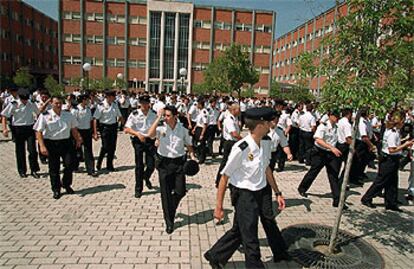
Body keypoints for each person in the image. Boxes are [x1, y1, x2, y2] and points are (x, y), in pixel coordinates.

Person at [204, 107, 286, 269]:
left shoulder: (266, 142)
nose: (272, 123)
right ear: (261, 125)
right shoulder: (241, 148)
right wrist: (218, 207)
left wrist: (277, 193)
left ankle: (215, 255)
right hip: (244, 195)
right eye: (269, 121)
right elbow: (224, 177)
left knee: (240, 229)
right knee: (250, 238)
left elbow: (266, 168)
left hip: (261, 192)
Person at [147, 105, 196, 234]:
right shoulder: (161, 127)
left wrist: (192, 156)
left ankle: (170, 209)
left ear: (175, 116)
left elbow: (189, 144)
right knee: (166, 193)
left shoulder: (183, 130)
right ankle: (169, 222)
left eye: (168, 116)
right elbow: (150, 134)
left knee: (180, 191)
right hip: (164, 164)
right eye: (165, 115)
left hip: (179, 163)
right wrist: (158, 118)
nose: (166, 118)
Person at [361, 111, 414, 212]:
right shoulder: (392, 133)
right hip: (388, 159)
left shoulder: (395, 131)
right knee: (381, 181)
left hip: (393, 159)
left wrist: (404, 141)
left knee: (392, 182)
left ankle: (391, 202)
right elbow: (392, 149)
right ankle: (367, 198)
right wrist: (405, 145)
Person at [33, 96, 83, 199]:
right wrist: (42, 146)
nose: (59, 105)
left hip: (66, 142)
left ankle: (66, 184)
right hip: (51, 144)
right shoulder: (45, 115)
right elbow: (38, 131)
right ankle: (56, 189)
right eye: (56, 103)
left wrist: (78, 139)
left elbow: (73, 128)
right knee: (54, 168)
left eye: (60, 103)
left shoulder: (68, 115)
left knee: (70, 164)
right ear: (51, 103)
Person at [297, 110, 345, 208]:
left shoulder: (337, 127)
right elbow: (318, 139)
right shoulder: (323, 126)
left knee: (333, 175)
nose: (337, 118)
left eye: (338, 116)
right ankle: (302, 188)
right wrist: (331, 147)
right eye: (335, 116)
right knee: (314, 171)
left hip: (331, 154)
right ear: (329, 116)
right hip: (320, 153)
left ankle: (337, 200)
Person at [1, 88, 40, 178]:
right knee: (20, 151)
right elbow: (4, 115)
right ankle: (22, 170)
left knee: (32, 150)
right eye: (23, 99)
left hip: (30, 128)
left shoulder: (31, 104)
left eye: (26, 99)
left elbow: (38, 113)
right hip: (18, 129)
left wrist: (38, 125)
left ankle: (34, 170)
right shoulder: (13, 104)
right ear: (20, 97)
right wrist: (4, 129)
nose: (25, 101)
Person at [124, 95, 157, 198]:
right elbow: (126, 129)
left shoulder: (154, 114)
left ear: (149, 104)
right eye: (142, 103)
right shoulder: (134, 114)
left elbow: (159, 127)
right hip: (138, 140)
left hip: (150, 140)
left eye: (146, 103)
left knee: (151, 164)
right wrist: (137, 134)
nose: (144, 105)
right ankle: (138, 189)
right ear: (139, 104)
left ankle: (146, 177)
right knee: (139, 165)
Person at [93, 90, 123, 171]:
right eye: (113, 97)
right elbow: (95, 119)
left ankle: (109, 165)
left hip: (113, 127)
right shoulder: (101, 105)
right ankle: (99, 163)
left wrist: (122, 122)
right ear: (108, 97)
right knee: (105, 147)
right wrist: (95, 132)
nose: (114, 99)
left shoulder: (115, 105)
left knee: (112, 147)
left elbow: (119, 115)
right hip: (104, 128)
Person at [215, 103, 242, 187]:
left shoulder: (235, 118)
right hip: (230, 143)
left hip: (234, 142)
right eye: (238, 109)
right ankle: (219, 181)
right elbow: (234, 133)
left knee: (235, 162)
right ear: (234, 110)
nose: (240, 111)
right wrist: (243, 139)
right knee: (226, 162)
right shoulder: (229, 119)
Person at [73, 93, 97, 177]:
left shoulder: (88, 109)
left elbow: (91, 121)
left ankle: (90, 169)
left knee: (88, 151)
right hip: (77, 131)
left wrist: (93, 132)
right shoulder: (75, 110)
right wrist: (78, 135)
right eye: (87, 99)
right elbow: (73, 124)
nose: (88, 101)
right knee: (76, 150)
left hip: (87, 131)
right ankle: (74, 166)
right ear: (83, 100)